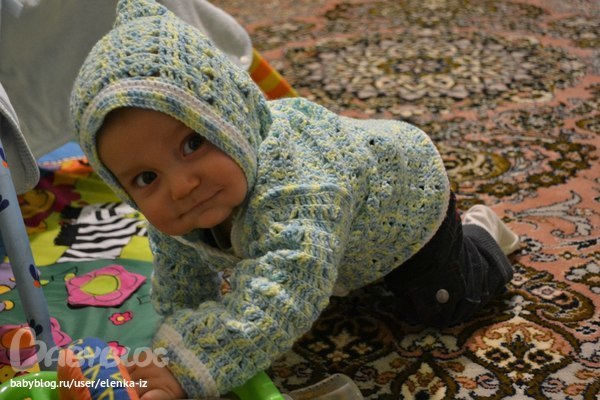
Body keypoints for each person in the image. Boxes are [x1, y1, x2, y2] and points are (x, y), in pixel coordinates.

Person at [69, 0, 520, 398]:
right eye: (146, 177)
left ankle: (480, 234)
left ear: (232, 120)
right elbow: (181, 286)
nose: (180, 186)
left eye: (192, 144)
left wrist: (191, 366)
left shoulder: (301, 185)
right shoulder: (181, 205)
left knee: (442, 304)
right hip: (346, 234)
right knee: (332, 285)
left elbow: (284, 293)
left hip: (409, 206)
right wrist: (171, 350)